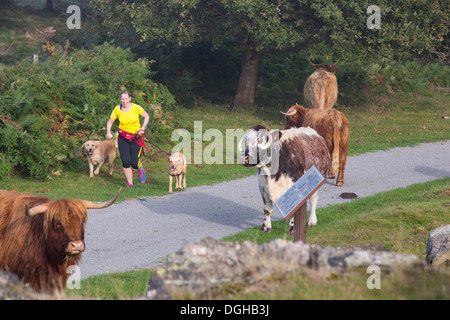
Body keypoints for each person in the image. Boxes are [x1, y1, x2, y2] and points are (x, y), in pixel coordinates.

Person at [106, 90, 150, 188]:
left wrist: (143, 128)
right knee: (125, 161)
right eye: (122, 99)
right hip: (123, 138)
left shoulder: (136, 107)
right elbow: (110, 122)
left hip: (136, 138)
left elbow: (146, 116)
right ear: (120, 99)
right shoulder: (117, 109)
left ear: (130, 98)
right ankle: (130, 184)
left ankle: (140, 169)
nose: (124, 101)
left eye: (126, 99)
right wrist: (108, 132)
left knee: (134, 163)